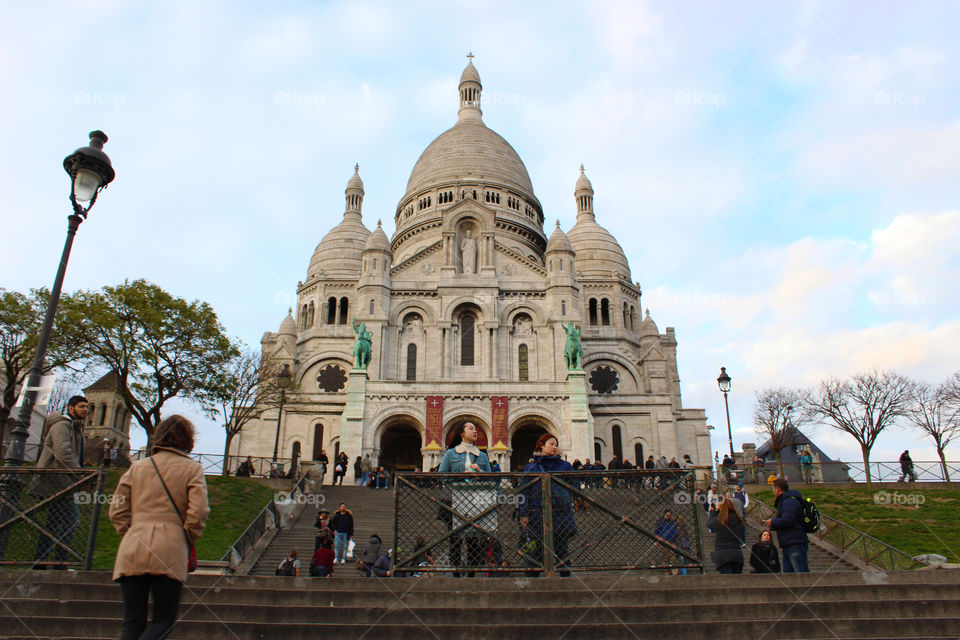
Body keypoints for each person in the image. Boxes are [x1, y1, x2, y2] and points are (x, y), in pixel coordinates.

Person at [109, 414, 210, 640]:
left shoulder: (137, 467)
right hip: (170, 547)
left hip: (133, 546)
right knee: (163, 620)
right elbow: (199, 512)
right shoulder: (192, 469)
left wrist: (131, 533)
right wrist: (185, 539)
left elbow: (116, 509)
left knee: (132, 622)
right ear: (187, 440)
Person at [33, 395, 89, 569]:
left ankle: (45, 562)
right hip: (57, 480)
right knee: (70, 521)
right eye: (81, 406)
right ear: (71, 408)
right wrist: (81, 475)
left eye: (87, 407)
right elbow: (63, 453)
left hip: (66, 481)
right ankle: (56, 562)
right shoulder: (62, 425)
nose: (85, 410)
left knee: (56, 522)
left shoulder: (74, 427)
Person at [519, 433, 577, 577]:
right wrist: (524, 514)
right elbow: (523, 492)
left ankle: (566, 585)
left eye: (556, 444)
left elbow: (575, 485)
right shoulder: (531, 467)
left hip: (560, 514)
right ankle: (532, 585)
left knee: (562, 552)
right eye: (551, 443)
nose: (554, 446)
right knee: (533, 553)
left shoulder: (565, 466)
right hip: (536, 515)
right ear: (541, 445)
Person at [438, 421, 491, 576]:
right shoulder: (451, 454)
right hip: (454, 501)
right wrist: (459, 477)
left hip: (475, 501)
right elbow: (441, 476)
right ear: (462, 433)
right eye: (471, 428)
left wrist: (480, 472)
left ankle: (472, 573)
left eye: (475, 429)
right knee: (455, 539)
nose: (475, 431)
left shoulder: (482, 456)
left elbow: (492, 479)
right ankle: (455, 571)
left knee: (473, 540)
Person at [763, 478, 810, 573]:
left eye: (773, 489)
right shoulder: (787, 501)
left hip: (794, 541)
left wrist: (772, 522)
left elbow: (788, 520)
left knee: (799, 571)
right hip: (789, 541)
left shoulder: (788, 501)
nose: (773, 492)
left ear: (778, 489)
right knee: (789, 573)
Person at [707, 497, 745, 574]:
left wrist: (713, 512)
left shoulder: (720, 519)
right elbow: (742, 536)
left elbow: (709, 524)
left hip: (722, 554)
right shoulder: (739, 519)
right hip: (737, 554)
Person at [654, 509, 681, 575]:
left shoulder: (672, 522)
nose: (668, 516)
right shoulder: (660, 522)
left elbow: (675, 533)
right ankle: (667, 571)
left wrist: (674, 543)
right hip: (664, 541)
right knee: (666, 557)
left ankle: (673, 570)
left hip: (671, 541)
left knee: (672, 556)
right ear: (665, 514)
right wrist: (657, 539)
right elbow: (656, 532)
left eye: (669, 515)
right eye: (667, 515)